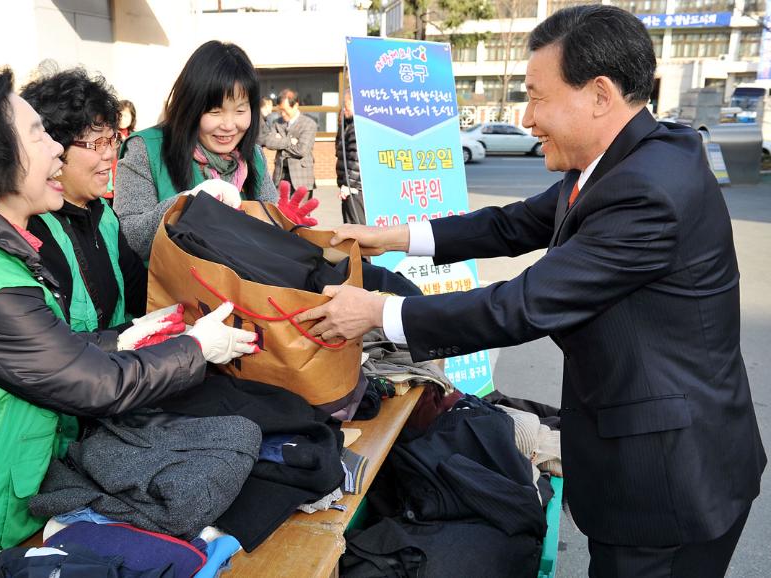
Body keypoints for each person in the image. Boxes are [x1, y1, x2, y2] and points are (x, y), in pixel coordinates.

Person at [296, 6, 766, 577]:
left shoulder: (648, 192)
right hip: (642, 454)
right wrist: (391, 235)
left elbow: (523, 304)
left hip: (667, 481)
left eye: (538, 97)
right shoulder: (621, 158)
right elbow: (511, 224)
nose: (526, 117)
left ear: (598, 94)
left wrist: (380, 313)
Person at [0, 66, 258, 578]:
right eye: (37, 135)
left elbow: (49, 350)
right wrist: (195, 350)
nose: (56, 149)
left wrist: (126, 336)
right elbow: (95, 386)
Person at [114, 41, 316, 262]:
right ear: (190, 106)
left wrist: (284, 228)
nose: (229, 125)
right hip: (172, 292)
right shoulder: (145, 149)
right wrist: (187, 204)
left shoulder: (252, 155)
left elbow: (268, 235)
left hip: (242, 291)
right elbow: (129, 238)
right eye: (215, 111)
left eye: (240, 110)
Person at [20, 68, 146, 333]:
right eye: (97, 143)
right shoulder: (31, 228)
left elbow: (139, 290)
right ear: (54, 147)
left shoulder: (104, 216)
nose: (111, 154)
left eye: (113, 140)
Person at [261, 88, 317, 198]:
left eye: (285, 110)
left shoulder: (309, 124)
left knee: (299, 214)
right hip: (280, 176)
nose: (282, 114)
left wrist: (280, 141)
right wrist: (290, 141)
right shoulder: (277, 123)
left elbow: (302, 150)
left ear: (296, 105)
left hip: (301, 178)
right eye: (280, 110)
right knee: (279, 213)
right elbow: (269, 142)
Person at [335, 88, 365, 225]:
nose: (343, 108)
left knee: (356, 226)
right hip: (351, 186)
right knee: (351, 225)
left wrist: (348, 185)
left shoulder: (357, 127)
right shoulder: (349, 125)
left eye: (345, 103)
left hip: (355, 188)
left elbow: (356, 158)